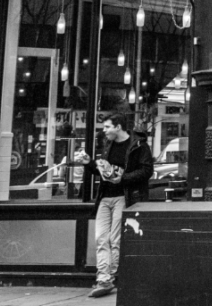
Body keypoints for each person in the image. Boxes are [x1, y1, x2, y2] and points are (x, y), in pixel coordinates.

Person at [75, 113, 153, 298]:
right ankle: (104, 280)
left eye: (107, 127)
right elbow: (105, 171)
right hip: (105, 197)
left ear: (118, 127)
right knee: (101, 238)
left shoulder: (139, 145)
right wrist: (89, 163)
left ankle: (113, 277)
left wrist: (123, 178)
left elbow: (147, 170)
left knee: (115, 239)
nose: (104, 131)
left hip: (123, 197)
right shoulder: (109, 145)